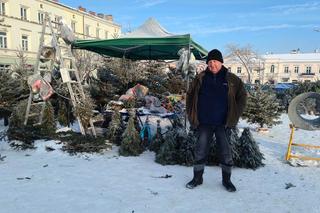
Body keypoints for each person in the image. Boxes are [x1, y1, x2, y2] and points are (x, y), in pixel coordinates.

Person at [186, 49, 247, 192]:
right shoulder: (200, 78)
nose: (212, 64)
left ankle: (227, 181)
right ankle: (197, 178)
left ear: (221, 62)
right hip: (204, 123)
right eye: (210, 61)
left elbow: (242, 97)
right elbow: (190, 96)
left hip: (223, 123)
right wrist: (191, 115)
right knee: (200, 151)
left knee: (226, 153)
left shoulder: (232, 79)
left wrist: (235, 114)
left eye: (215, 61)